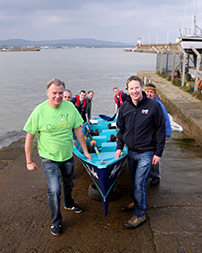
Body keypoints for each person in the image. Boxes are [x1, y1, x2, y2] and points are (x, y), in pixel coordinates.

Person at [24, 79, 92, 236]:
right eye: (54, 93)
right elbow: (29, 137)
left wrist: (85, 151)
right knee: (54, 189)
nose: (58, 96)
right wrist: (29, 160)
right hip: (49, 158)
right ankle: (56, 221)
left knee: (68, 183)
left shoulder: (70, 107)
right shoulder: (39, 111)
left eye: (61, 93)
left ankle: (68, 203)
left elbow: (78, 131)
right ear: (48, 93)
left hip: (67, 156)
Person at [115, 76, 165, 229]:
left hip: (147, 152)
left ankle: (140, 214)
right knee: (132, 181)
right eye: (131, 88)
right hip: (130, 152)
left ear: (141, 88)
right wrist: (119, 146)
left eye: (137, 87)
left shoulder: (154, 106)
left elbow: (160, 130)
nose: (135, 91)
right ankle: (134, 201)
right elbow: (121, 129)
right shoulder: (124, 108)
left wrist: (158, 153)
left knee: (140, 183)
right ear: (127, 90)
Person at [145, 83, 172, 186]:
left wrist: (167, 134)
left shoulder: (159, 105)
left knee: (154, 157)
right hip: (145, 136)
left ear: (154, 94)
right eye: (147, 91)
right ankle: (146, 175)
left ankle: (155, 176)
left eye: (151, 92)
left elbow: (166, 120)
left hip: (156, 136)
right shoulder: (141, 103)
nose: (149, 94)